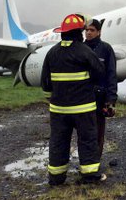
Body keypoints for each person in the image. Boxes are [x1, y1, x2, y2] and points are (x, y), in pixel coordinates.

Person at [41, 14, 105, 185]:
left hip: (59, 110)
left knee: (58, 142)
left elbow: (45, 84)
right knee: (87, 141)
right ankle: (90, 176)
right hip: (83, 109)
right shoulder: (85, 51)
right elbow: (100, 73)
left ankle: (56, 177)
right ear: (79, 32)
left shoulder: (52, 53)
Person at [85, 19, 118, 155]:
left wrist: (111, 99)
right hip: (83, 97)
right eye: (86, 30)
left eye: (92, 30)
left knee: (98, 131)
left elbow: (111, 74)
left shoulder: (106, 49)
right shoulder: (80, 48)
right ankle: (85, 159)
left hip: (99, 97)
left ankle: (95, 161)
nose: (88, 33)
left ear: (99, 32)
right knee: (85, 131)